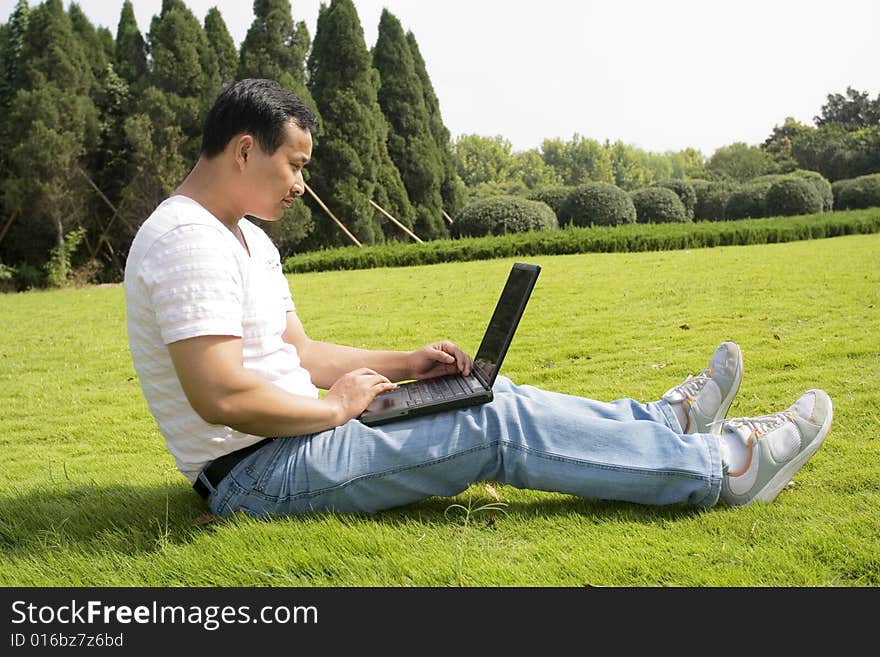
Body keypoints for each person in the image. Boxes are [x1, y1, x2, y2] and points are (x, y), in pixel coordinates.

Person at [123, 78, 834, 518]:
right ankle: (722, 469)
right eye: (295, 165)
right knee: (488, 430)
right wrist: (333, 407)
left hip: (300, 437)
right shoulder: (187, 239)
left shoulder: (244, 237)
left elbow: (299, 351)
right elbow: (220, 395)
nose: (301, 184)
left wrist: (408, 364)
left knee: (486, 396)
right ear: (245, 150)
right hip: (259, 475)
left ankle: (661, 423)